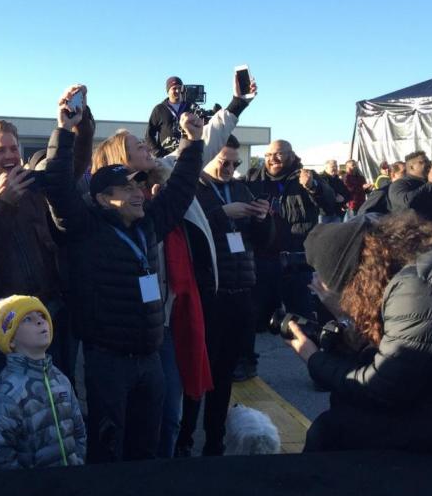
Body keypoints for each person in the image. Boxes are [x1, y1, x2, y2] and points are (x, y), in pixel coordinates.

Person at [95, 70, 256, 458]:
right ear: (120, 160)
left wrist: (235, 104)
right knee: (135, 416)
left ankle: (167, 465)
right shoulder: (107, 209)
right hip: (136, 321)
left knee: (170, 411)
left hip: (182, 303)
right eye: (137, 145)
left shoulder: (168, 174)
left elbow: (205, 142)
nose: (147, 146)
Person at [43, 88, 204, 463]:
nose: (137, 192)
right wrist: (64, 131)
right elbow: (57, 187)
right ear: (102, 198)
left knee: (145, 446)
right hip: (108, 361)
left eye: (137, 185)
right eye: (125, 188)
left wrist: (194, 143)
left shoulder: (148, 225)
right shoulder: (82, 228)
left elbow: (179, 191)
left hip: (150, 357)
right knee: (108, 445)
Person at [286, 212, 432, 464]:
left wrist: (312, 357)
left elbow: (384, 389)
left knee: (332, 428)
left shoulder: (419, 283)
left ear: (356, 281)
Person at [0, 109, 95, 386]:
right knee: (9, 406)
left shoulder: (35, 189)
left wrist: (79, 127)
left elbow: (72, 167)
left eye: (13, 148)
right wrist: (3, 206)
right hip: (4, 323)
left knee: (57, 395)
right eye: (0, 150)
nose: (10, 155)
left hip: (48, 310)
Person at [177, 136, 273, 456]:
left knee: (224, 374)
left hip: (241, 291)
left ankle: (215, 440)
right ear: (208, 159)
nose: (231, 168)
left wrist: (263, 219)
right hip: (209, 294)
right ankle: (185, 438)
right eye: (224, 162)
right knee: (198, 371)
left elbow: (262, 242)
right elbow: (191, 233)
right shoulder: (194, 189)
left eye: (235, 163)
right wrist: (222, 212)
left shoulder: (243, 189)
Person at [243, 140, 336, 379]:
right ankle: (246, 365)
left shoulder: (306, 177)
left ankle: (319, 370)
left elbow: (329, 205)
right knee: (251, 319)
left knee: (303, 320)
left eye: (279, 154)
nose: (273, 159)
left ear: (292, 156)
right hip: (263, 262)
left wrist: (314, 186)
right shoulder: (253, 177)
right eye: (268, 154)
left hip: (297, 263)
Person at [0, 295, 86, 469]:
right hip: (30, 493)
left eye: (42, 316)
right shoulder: (5, 395)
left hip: (70, 488)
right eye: (27, 319)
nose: (41, 322)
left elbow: (79, 431)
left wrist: (77, 462)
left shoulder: (61, 379)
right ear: (10, 339)